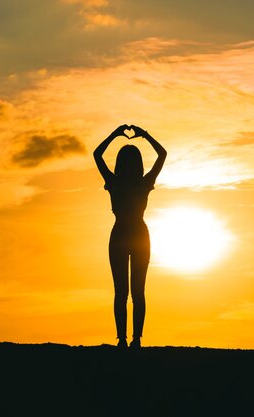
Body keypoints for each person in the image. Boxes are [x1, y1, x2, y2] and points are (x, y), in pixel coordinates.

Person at [93, 124, 167, 349]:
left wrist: (115, 134)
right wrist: (145, 135)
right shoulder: (143, 183)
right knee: (137, 292)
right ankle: (134, 339)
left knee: (122, 292)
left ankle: (124, 340)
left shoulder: (115, 182)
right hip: (138, 235)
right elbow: (162, 154)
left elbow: (97, 154)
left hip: (121, 234)